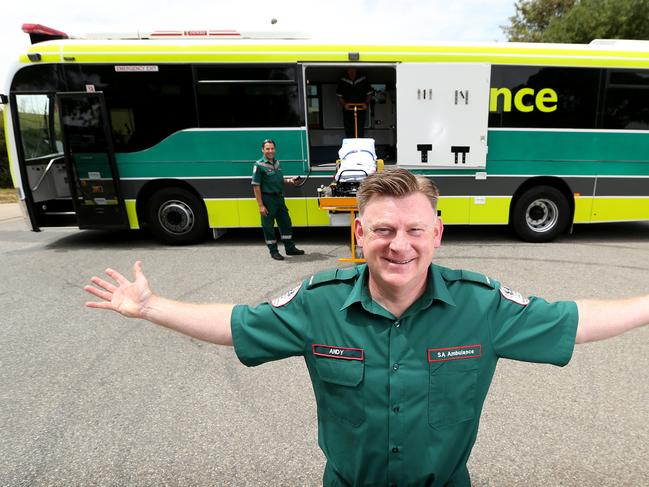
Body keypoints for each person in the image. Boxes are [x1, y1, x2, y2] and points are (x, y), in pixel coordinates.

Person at [84, 168, 649, 487]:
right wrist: (151, 306)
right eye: (382, 229)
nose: (398, 245)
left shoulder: (483, 307)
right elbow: (237, 324)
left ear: (437, 234)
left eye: (414, 230)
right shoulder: (317, 304)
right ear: (359, 233)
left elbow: (573, 321)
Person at [251, 139, 304, 260]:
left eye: (272, 148)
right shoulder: (258, 165)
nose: (270, 151)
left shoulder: (277, 163)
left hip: (279, 198)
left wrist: (290, 180)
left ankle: (290, 248)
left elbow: (279, 179)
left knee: (286, 223)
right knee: (268, 227)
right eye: (267, 149)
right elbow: (256, 186)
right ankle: (273, 251)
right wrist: (260, 205)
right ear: (262, 150)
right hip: (267, 199)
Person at [336, 68, 374, 138]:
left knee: (360, 128)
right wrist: (344, 104)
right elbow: (339, 95)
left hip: (360, 109)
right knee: (349, 129)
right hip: (348, 110)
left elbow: (369, 94)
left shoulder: (363, 79)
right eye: (350, 71)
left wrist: (366, 103)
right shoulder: (343, 80)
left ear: (356, 71)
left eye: (353, 71)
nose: (352, 73)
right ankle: (351, 146)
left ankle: (359, 145)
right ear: (347, 71)